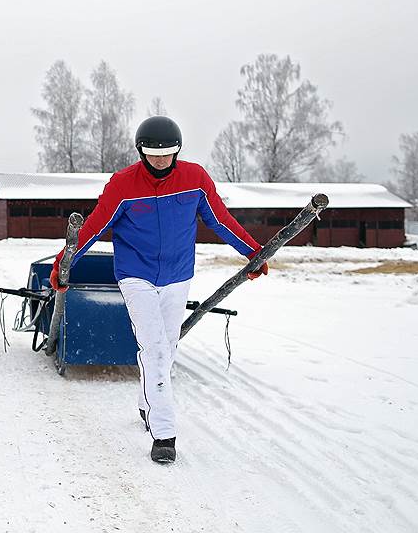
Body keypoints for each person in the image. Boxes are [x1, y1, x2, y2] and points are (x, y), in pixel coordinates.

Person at [50, 116, 268, 463]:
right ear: (141, 152)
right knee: (154, 349)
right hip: (136, 275)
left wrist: (253, 252)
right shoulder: (122, 185)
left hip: (178, 275)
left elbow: (220, 219)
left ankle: (146, 402)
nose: (162, 161)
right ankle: (164, 433)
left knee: (168, 346)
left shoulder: (195, 179)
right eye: (154, 155)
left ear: (178, 151)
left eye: (168, 154)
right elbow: (93, 227)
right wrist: (64, 263)